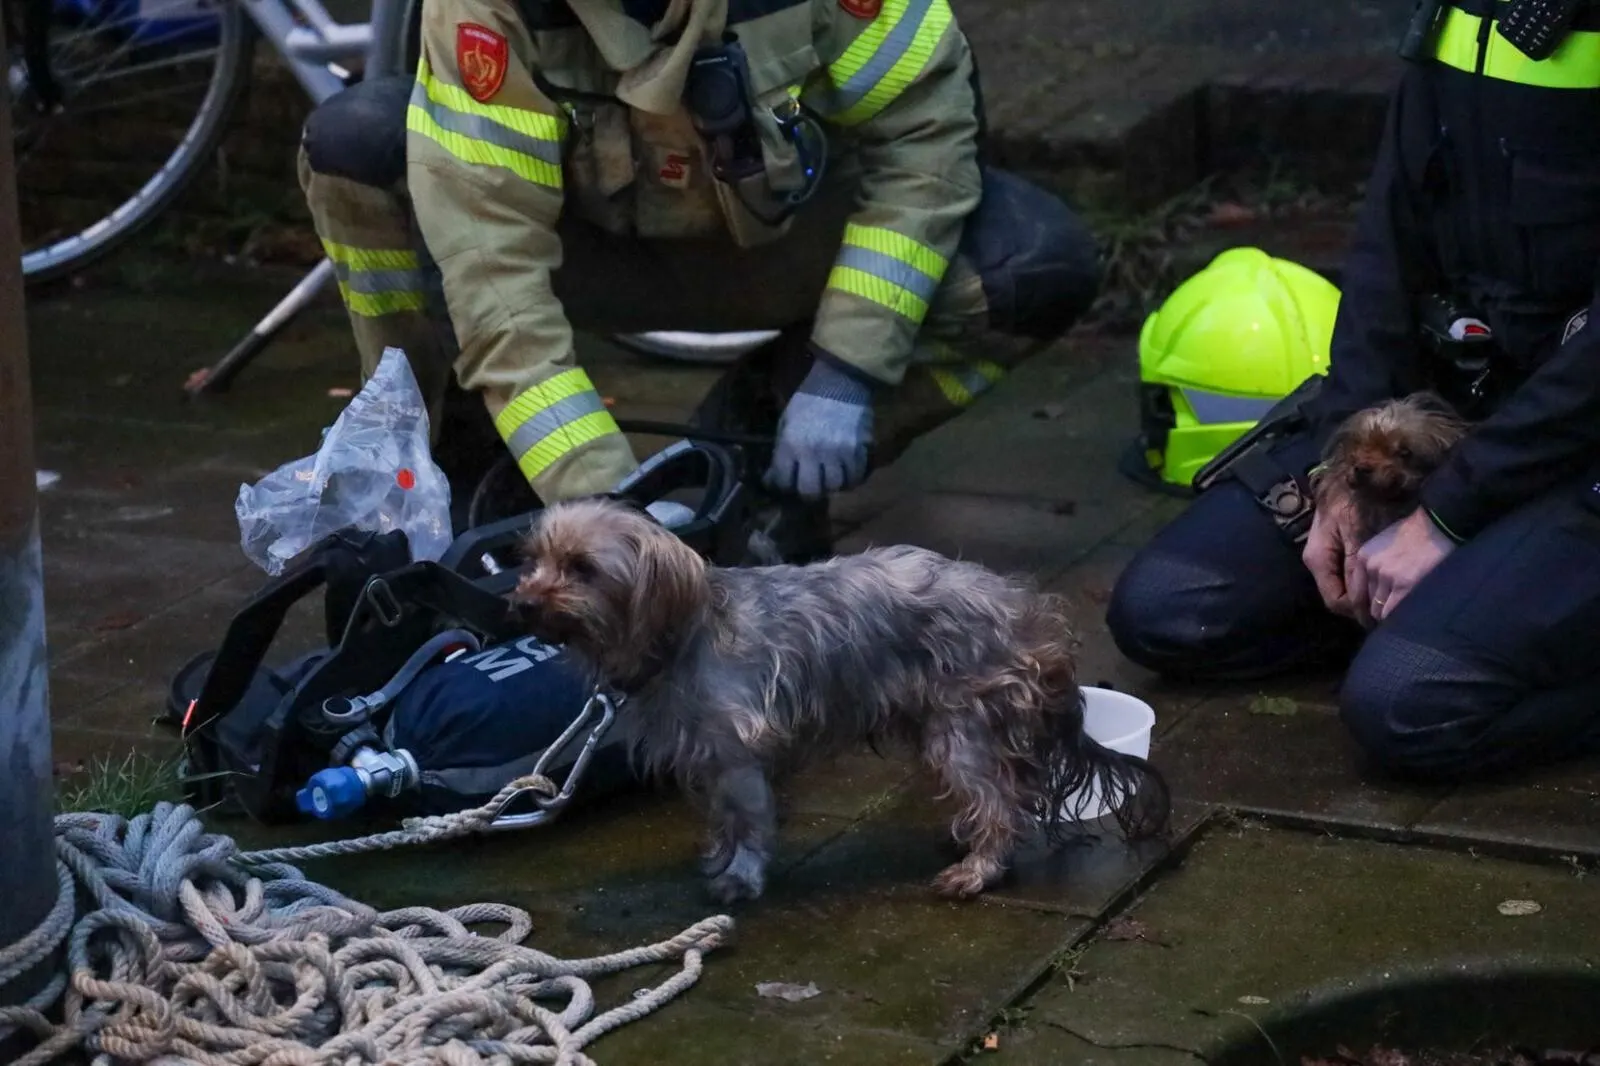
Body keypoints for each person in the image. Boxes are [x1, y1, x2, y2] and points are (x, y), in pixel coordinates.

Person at [296, 0, 1101, 554]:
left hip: (790, 256)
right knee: (356, 147)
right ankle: (457, 466)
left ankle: (756, 460)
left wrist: (847, 373)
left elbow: (924, 140)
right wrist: (605, 502)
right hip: (586, 260)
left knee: (1032, 268)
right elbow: (492, 269)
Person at [1107, 0, 1600, 783]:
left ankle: (1467, 628)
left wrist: (1448, 515)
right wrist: (1345, 468)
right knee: (1171, 607)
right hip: (1450, 418)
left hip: (1575, 449)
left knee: (1408, 705)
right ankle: (1448, 611)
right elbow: (1386, 245)